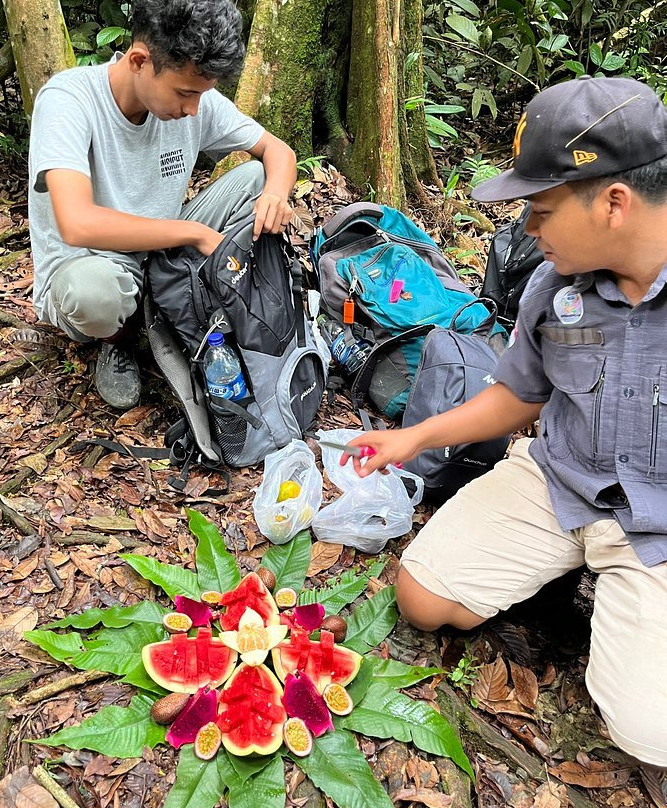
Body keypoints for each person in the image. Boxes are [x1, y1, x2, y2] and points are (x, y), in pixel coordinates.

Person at [344, 75, 667, 772]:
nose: (527, 230)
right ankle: (557, 576)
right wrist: (415, 436)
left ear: (614, 201)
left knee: (649, 731)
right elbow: (521, 393)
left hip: (659, 525)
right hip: (563, 481)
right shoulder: (556, 288)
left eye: (541, 210)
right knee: (423, 596)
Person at [28, 0, 297, 409]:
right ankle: (119, 336)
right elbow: (76, 223)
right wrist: (195, 232)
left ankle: (179, 301)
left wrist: (276, 195)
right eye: (185, 93)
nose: (192, 110)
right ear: (139, 60)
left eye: (201, 96)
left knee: (258, 178)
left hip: (161, 253)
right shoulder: (69, 100)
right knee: (93, 294)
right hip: (95, 261)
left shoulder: (194, 100)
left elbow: (278, 152)